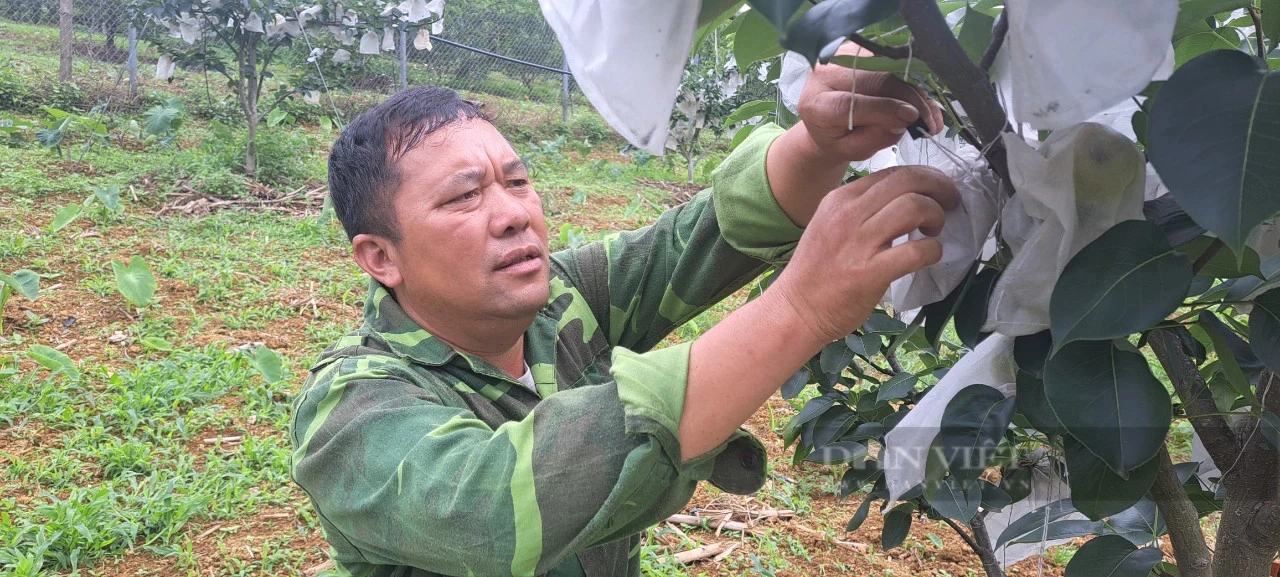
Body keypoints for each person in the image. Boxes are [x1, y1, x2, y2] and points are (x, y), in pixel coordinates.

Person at [287, 45, 958, 577]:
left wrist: (816, 145)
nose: (513, 213)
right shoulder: (348, 413)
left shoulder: (561, 298)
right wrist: (800, 310)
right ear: (380, 257)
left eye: (517, 181)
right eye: (464, 197)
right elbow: (493, 505)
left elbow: (695, 242)